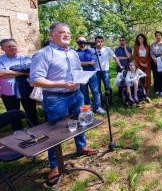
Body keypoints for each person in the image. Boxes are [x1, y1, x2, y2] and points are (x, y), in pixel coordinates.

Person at [30, 22, 98, 182]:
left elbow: (77, 71)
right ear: (52, 35)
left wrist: (81, 78)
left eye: (69, 32)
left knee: (82, 122)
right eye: (62, 32)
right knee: (56, 133)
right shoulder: (44, 54)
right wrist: (61, 84)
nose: (67, 35)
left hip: (76, 95)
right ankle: (54, 165)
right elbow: (35, 80)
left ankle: (81, 147)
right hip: (56, 98)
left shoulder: (73, 53)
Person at [0, 38, 37, 129]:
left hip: (25, 88)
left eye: (14, 46)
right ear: (2, 49)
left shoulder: (25, 58)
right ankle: (17, 130)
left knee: (31, 110)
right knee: (12, 111)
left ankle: (34, 127)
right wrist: (23, 72)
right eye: (8, 46)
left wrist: (9, 72)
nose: (12, 48)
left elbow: (31, 71)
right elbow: (1, 73)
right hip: (7, 91)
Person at [75, 36, 106, 115]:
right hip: (81, 75)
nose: (82, 42)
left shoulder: (92, 51)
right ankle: (89, 108)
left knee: (95, 91)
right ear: (77, 42)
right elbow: (76, 64)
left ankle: (98, 107)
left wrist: (82, 63)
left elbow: (93, 62)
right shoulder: (74, 53)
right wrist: (88, 63)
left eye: (83, 40)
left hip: (92, 74)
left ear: (86, 41)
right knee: (84, 92)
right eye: (80, 41)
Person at [94, 36, 123, 104]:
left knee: (107, 86)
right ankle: (100, 101)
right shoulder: (93, 49)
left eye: (101, 41)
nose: (100, 43)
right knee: (97, 87)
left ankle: (109, 101)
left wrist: (120, 65)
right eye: (98, 41)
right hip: (96, 71)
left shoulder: (107, 49)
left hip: (105, 71)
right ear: (95, 42)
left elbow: (115, 57)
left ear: (103, 42)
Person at [150, 31, 162, 96]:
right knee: (156, 75)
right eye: (156, 35)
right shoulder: (152, 44)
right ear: (155, 36)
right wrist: (154, 59)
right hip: (154, 61)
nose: (158, 36)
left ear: (161, 36)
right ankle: (157, 89)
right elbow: (151, 53)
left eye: (159, 35)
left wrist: (159, 59)